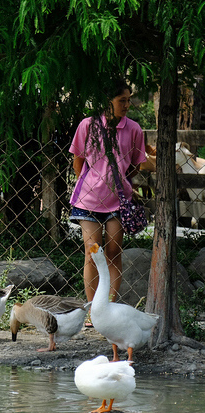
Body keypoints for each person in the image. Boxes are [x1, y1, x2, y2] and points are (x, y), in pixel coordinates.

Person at [69, 79, 146, 302]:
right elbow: (78, 160)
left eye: (129, 100)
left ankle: (108, 308)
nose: (127, 105)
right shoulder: (87, 125)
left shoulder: (134, 129)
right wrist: (92, 182)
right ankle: (94, 308)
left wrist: (120, 182)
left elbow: (135, 164)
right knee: (92, 254)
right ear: (107, 102)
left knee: (113, 253)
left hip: (118, 203)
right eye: (122, 100)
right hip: (89, 202)